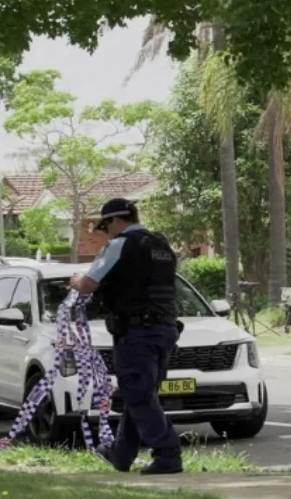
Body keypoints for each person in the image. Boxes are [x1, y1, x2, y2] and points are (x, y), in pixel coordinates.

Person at [68, 198, 183, 476]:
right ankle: (121, 454)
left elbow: (87, 285)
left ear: (118, 221)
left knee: (138, 392)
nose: (106, 233)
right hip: (165, 329)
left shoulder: (120, 244)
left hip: (137, 331)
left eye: (106, 227)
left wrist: (74, 280)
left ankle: (167, 454)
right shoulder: (160, 245)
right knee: (140, 393)